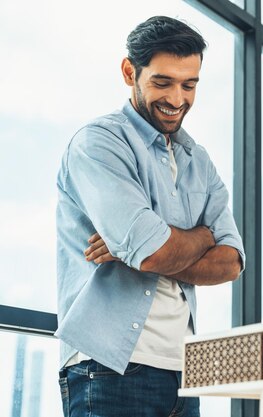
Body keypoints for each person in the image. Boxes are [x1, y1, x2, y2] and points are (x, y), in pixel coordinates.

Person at [55, 16, 245, 417]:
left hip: (182, 372)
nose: (177, 99)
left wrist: (143, 245)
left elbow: (230, 262)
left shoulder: (199, 161)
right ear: (130, 72)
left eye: (189, 85)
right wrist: (201, 236)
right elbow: (154, 253)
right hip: (107, 369)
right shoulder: (98, 144)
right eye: (162, 82)